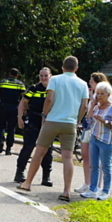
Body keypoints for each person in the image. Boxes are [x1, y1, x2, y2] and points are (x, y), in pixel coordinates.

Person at [17, 56, 89, 201]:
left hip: (52, 120)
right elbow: (85, 106)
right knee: (67, 157)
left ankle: (27, 183)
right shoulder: (83, 84)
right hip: (70, 123)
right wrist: (77, 120)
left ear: (63, 67)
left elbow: (49, 99)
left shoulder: (55, 80)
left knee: (39, 152)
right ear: (76, 68)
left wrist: (44, 114)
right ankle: (66, 191)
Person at [81, 81, 112, 200]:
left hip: (106, 141)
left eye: (102, 94)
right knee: (94, 165)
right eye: (97, 93)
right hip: (94, 138)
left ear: (108, 94)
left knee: (106, 166)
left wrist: (105, 121)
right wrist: (92, 106)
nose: (99, 96)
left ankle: (105, 191)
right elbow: (88, 120)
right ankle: (93, 189)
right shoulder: (97, 107)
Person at [15, 67, 54, 187]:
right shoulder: (34, 88)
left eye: (45, 75)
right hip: (33, 119)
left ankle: (46, 176)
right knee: (28, 146)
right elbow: (23, 102)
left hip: (48, 121)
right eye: (41, 76)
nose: (43, 78)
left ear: (50, 76)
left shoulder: (53, 89)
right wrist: (20, 117)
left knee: (47, 150)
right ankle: (19, 172)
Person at [74, 72, 109, 194]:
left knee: (95, 158)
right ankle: (87, 183)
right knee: (85, 155)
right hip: (88, 128)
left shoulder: (103, 99)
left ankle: (96, 185)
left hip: (96, 129)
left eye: (92, 81)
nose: (89, 82)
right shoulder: (92, 97)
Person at [0, 68, 25, 155]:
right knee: (11, 128)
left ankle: (1, 141)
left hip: (3, 106)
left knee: (1, 125)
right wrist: (23, 109)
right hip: (14, 108)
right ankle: (8, 148)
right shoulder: (20, 84)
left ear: (9, 74)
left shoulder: (2, 82)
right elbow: (24, 97)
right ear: (17, 75)